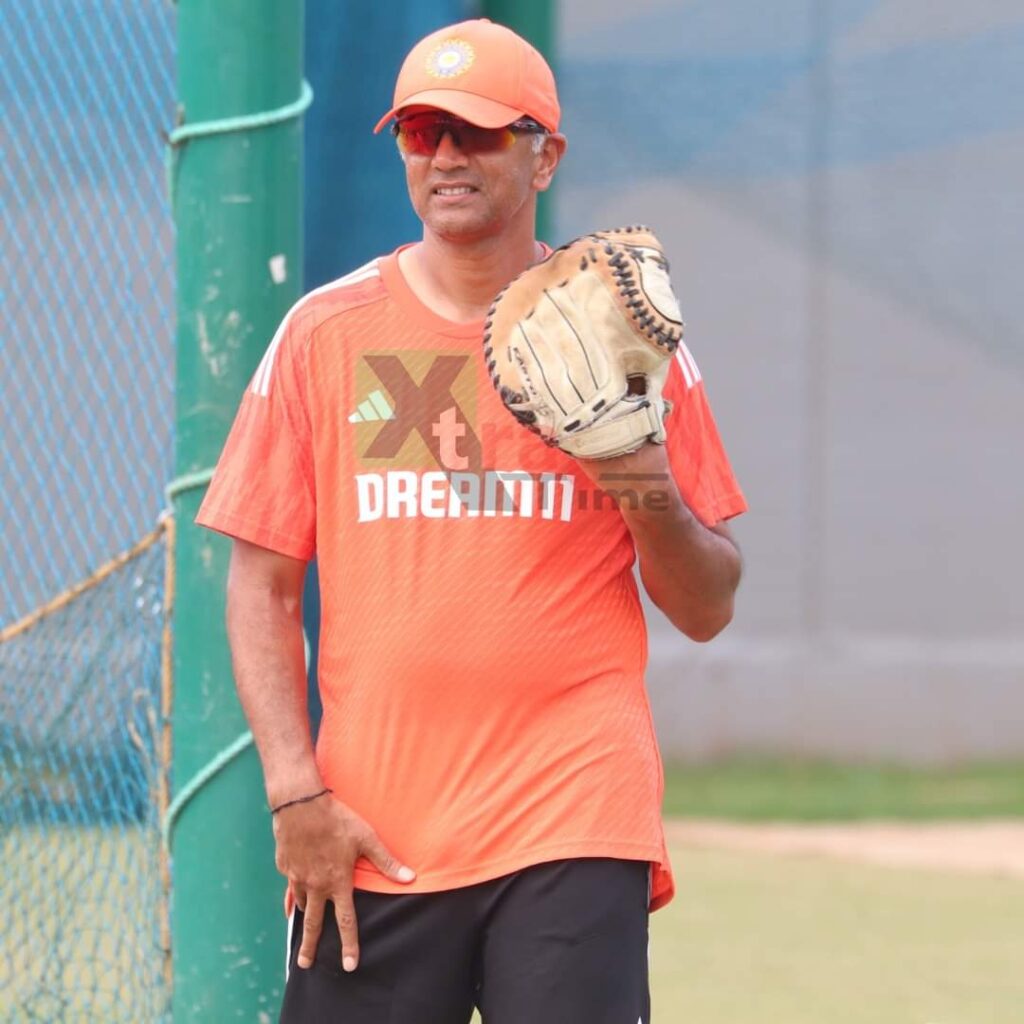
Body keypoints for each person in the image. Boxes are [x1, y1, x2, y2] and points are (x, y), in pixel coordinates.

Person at [196, 18, 746, 1024]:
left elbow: (707, 603)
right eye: (420, 131)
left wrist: (635, 471)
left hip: (574, 811)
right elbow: (259, 587)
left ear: (547, 154)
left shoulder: (627, 337)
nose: (445, 155)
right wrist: (293, 794)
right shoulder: (324, 332)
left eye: (479, 132)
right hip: (371, 827)